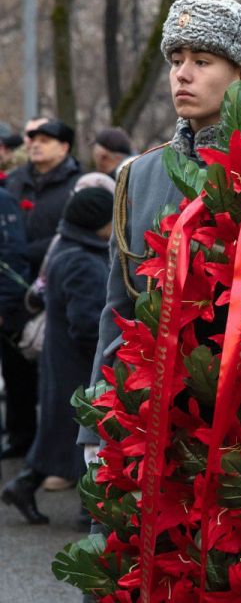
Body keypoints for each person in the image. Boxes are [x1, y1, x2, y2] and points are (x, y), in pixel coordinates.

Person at [77, 0, 241, 464]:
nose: (181, 74)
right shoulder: (140, 175)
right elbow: (119, 308)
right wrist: (98, 422)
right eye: (176, 60)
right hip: (149, 413)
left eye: (201, 61)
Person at [1, 187, 113, 524]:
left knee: (60, 431)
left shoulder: (68, 247)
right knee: (87, 434)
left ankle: (24, 485)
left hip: (61, 358)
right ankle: (88, 509)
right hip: (78, 363)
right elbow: (88, 321)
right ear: (96, 221)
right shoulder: (81, 258)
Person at [2, 118, 82, 459]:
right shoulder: (15, 182)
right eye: (32, 138)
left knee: (54, 372)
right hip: (16, 287)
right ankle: (20, 438)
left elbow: (74, 231)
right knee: (15, 367)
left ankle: (53, 448)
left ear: (64, 147)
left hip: (58, 289)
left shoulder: (75, 185)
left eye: (45, 139)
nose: (35, 144)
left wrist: (28, 250)